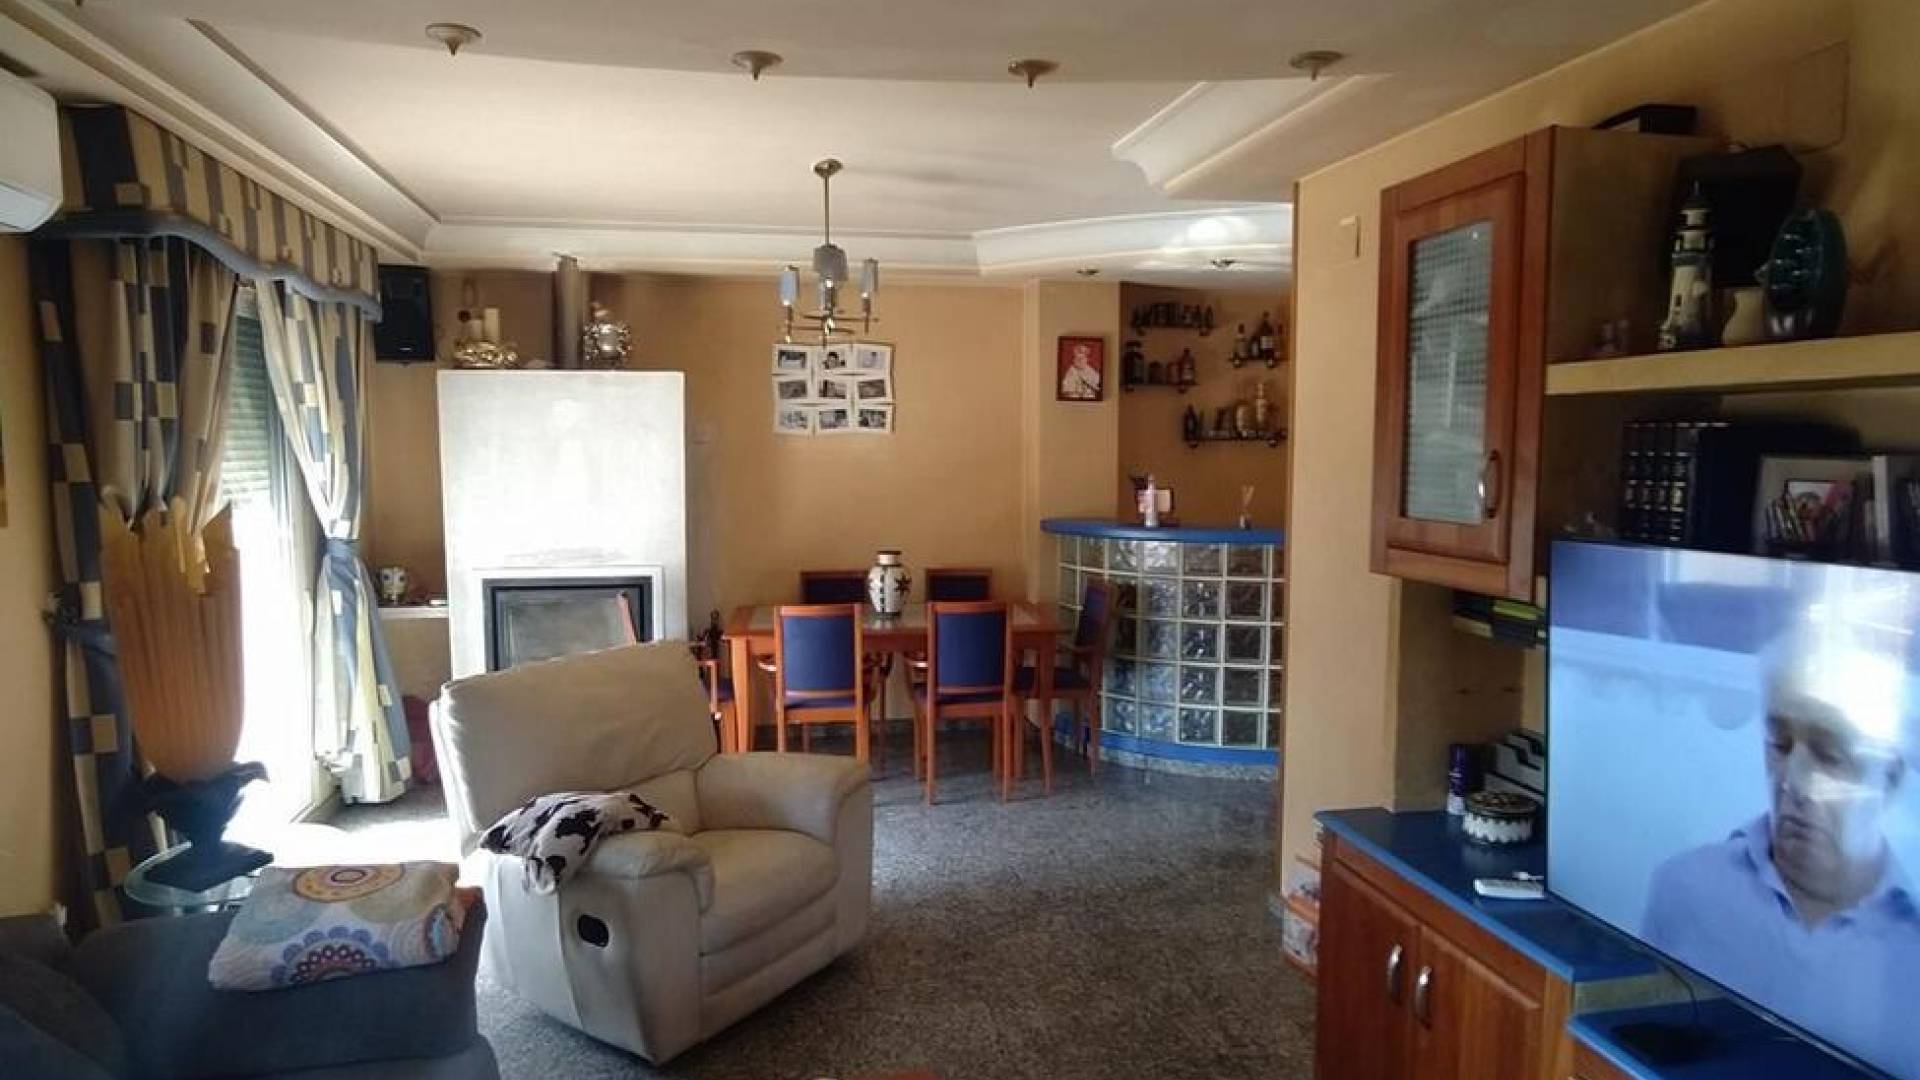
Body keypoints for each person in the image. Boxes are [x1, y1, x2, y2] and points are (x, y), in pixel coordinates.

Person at [1642, 629, 1920, 1079]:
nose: (1792, 781)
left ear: (1888, 775)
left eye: (1829, 755)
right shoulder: (1683, 886)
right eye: (1780, 744)